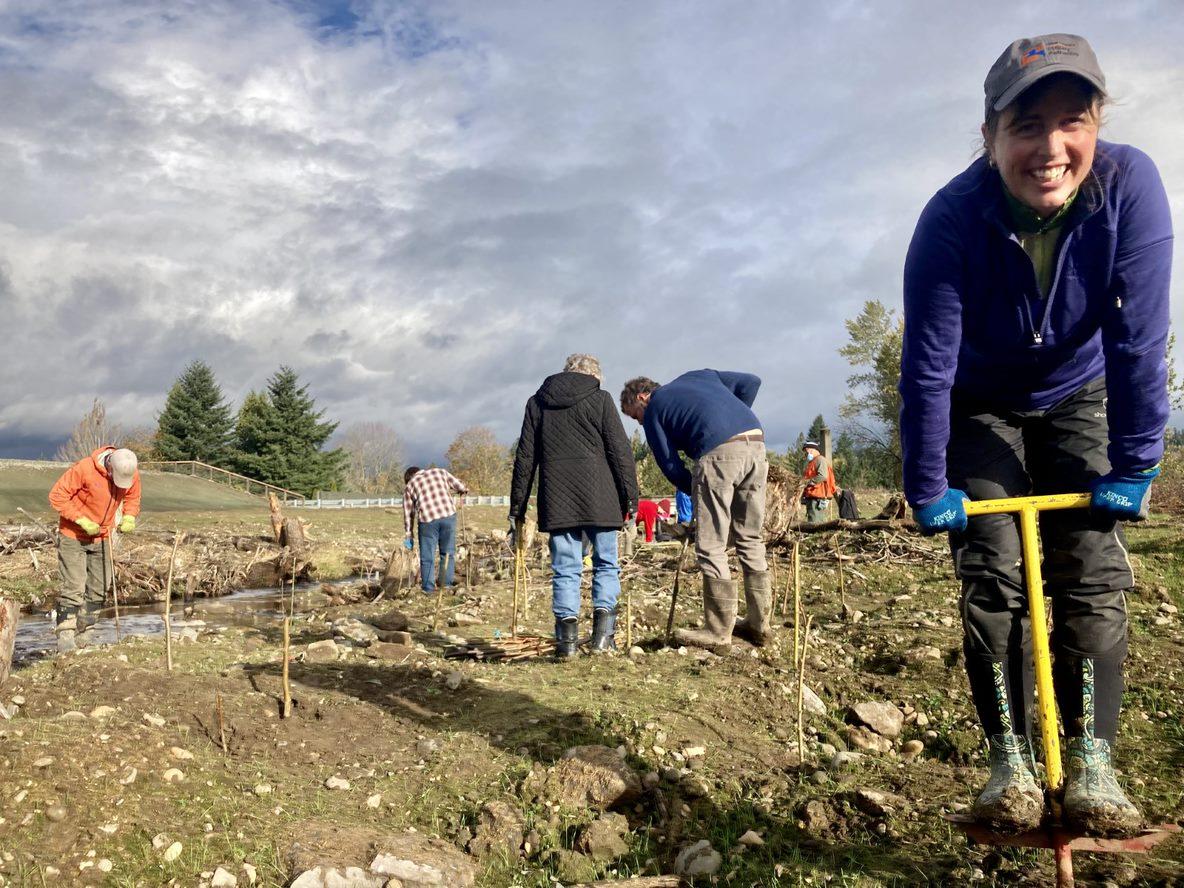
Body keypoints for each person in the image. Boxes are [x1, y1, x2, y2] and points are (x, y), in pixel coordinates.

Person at [900, 34, 1170, 837]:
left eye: (1071, 120)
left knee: (1090, 564)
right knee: (994, 573)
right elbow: (928, 368)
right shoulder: (951, 219)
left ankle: (1092, 761)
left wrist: (1137, 461)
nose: (1050, 148)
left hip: (1079, 393)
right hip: (980, 404)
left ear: (1098, 124)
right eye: (1026, 126)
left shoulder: (1130, 187)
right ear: (989, 137)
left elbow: (1139, 340)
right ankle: (1009, 765)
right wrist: (926, 486)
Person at [620, 370, 770, 649]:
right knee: (750, 537)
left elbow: (669, 464)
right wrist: (729, 420)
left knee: (711, 545)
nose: (638, 422)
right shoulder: (700, 376)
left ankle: (718, 632)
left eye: (634, 415)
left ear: (642, 397)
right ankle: (759, 625)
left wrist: (694, 487)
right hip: (756, 444)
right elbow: (752, 382)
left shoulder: (654, 410)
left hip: (718, 455)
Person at [510, 354, 638, 656]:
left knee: (566, 569)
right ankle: (603, 639)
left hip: (557, 501)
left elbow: (525, 458)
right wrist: (631, 497)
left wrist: (518, 506)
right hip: (601, 498)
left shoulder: (537, 402)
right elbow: (620, 451)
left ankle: (566, 644)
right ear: (595, 377)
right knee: (606, 564)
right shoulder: (601, 399)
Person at [47, 447, 141, 652]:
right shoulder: (84, 469)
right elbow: (57, 496)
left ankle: (85, 632)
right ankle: (66, 636)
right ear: (109, 466)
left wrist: (129, 516)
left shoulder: (129, 470)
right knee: (74, 587)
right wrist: (80, 519)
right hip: (73, 536)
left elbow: (132, 497)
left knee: (99, 589)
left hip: (102, 536)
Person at [402, 466, 468, 594]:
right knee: (448, 553)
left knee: (427, 557)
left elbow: (408, 513)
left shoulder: (410, 486)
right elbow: (460, 486)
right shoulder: (439, 471)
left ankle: (428, 589)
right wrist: (463, 490)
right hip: (448, 515)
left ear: (409, 478)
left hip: (427, 520)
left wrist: (409, 534)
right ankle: (446, 585)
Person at [801, 441, 836, 524]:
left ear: (812, 450)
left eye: (806, 451)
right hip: (813, 495)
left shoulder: (820, 460)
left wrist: (808, 482)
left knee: (815, 522)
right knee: (814, 520)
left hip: (817, 497)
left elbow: (823, 476)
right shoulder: (813, 462)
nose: (806, 454)